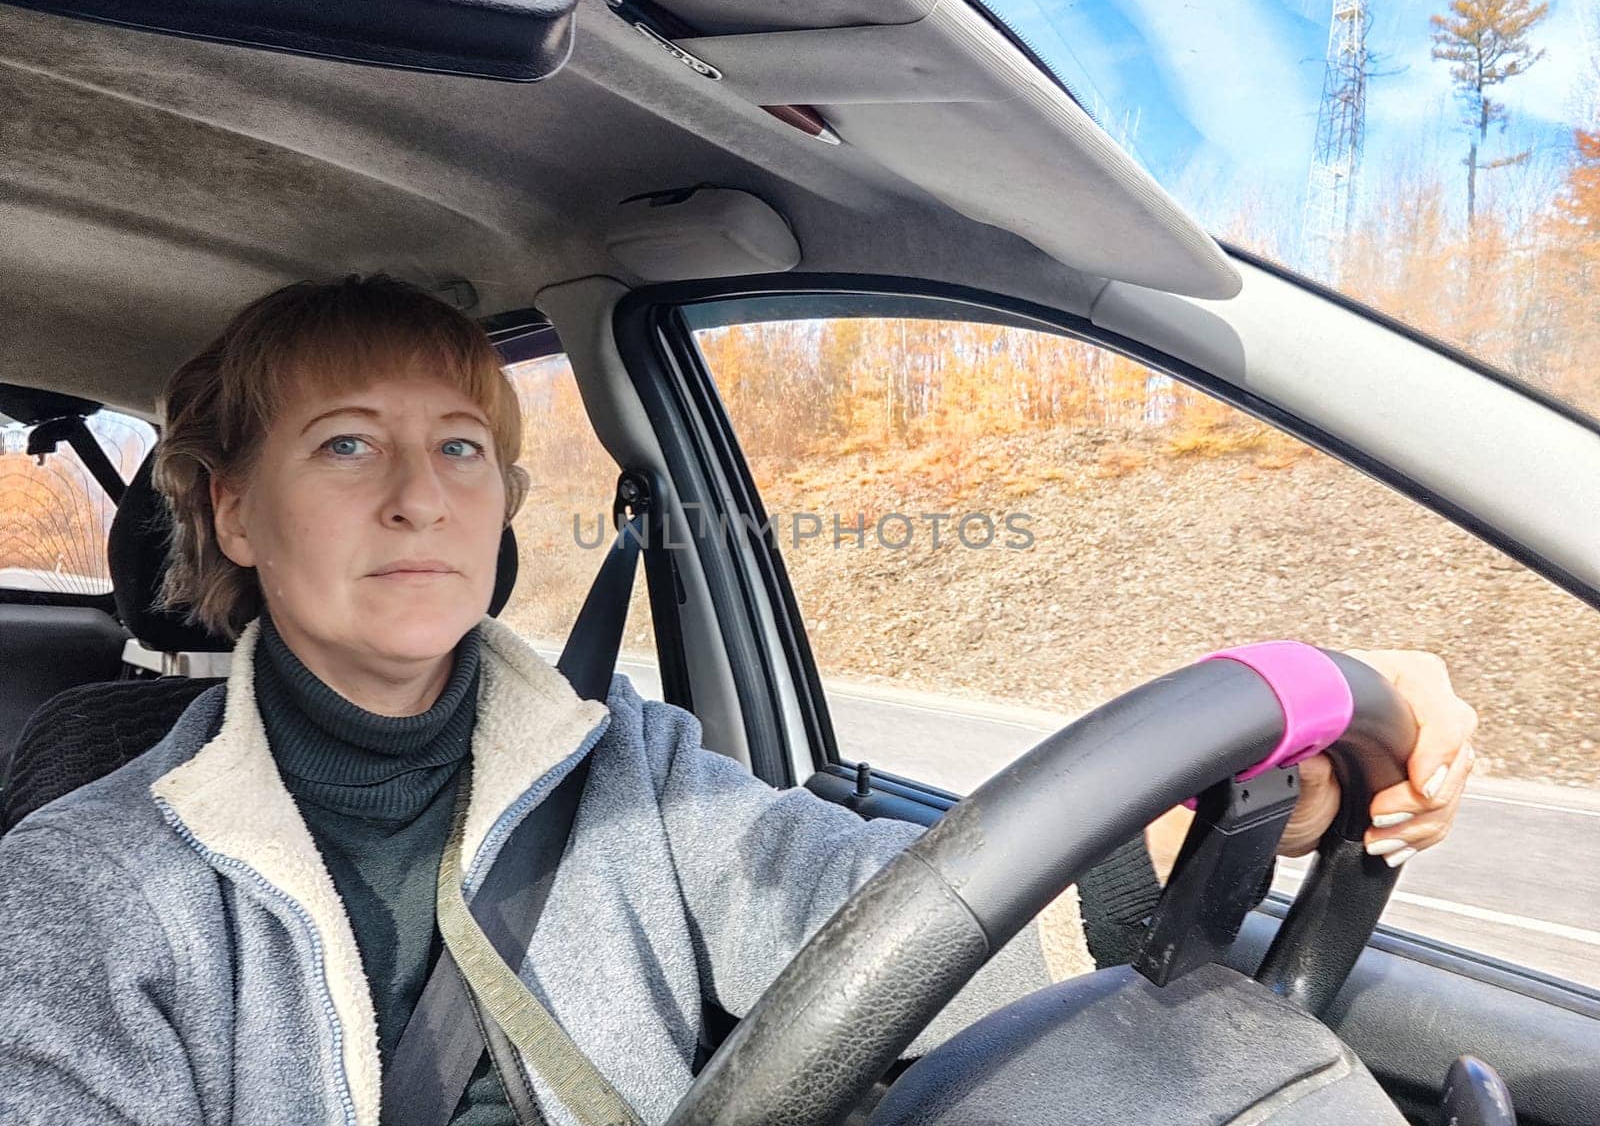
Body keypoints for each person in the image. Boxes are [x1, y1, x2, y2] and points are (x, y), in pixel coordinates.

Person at [0, 276, 1476, 1126]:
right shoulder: (80, 888)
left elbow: (901, 916)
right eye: (342, 447)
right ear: (235, 514)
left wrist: (1303, 790)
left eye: (461, 448)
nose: (417, 500)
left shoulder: (633, 768)